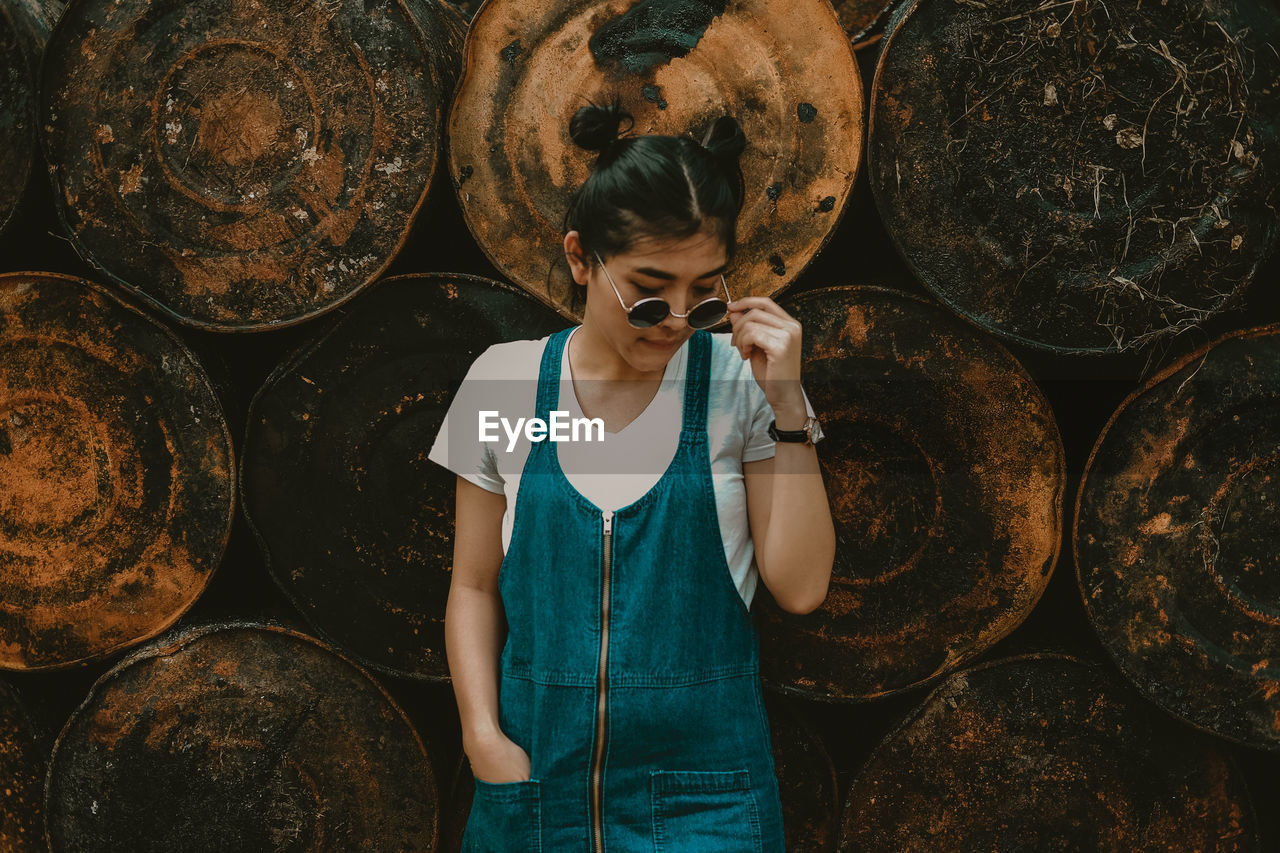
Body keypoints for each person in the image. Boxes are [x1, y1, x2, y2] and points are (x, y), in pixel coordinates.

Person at [429, 97, 836, 852]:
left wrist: (786, 404)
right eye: (650, 289)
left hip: (707, 803)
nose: (678, 318)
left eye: (705, 291)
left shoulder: (738, 385)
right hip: (534, 793)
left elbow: (801, 586)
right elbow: (474, 586)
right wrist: (484, 737)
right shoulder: (506, 386)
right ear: (581, 257)